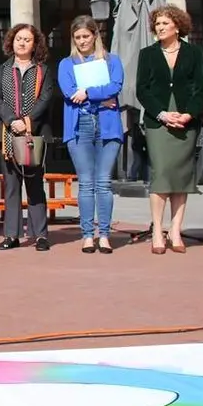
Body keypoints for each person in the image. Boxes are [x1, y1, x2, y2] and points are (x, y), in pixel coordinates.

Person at [135, 4, 203, 255]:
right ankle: (158, 230)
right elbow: (142, 89)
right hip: (159, 121)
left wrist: (188, 114)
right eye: (157, 24)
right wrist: (163, 114)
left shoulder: (194, 52)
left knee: (181, 176)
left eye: (165, 23)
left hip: (186, 120)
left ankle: (176, 230)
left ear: (177, 26)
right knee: (162, 173)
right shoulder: (147, 54)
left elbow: (201, 87)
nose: (160, 27)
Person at [57, 15, 124, 254]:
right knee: (86, 183)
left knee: (104, 183)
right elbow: (69, 92)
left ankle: (104, 234)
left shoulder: (111, 60)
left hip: (108, 127)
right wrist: (100, 97)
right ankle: (87, 234)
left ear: (95, 35)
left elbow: (115, 86)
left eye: (86, 36)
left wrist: (87, 91)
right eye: (78, 37)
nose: (82, 41)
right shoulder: (67, 63)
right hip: (79, 125)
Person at [0, 24, 55, 252]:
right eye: (19, 38)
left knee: (35, 184)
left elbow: (46, 98)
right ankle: (12, 234)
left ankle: (40, 235)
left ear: (35, 44)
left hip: (33, 135)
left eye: (27, 39)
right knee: (12, 186)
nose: (22, 42)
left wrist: (27, 121)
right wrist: (12, 120)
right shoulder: (2, 70)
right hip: (7, 135)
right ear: (12, 41)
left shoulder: (43, 71)